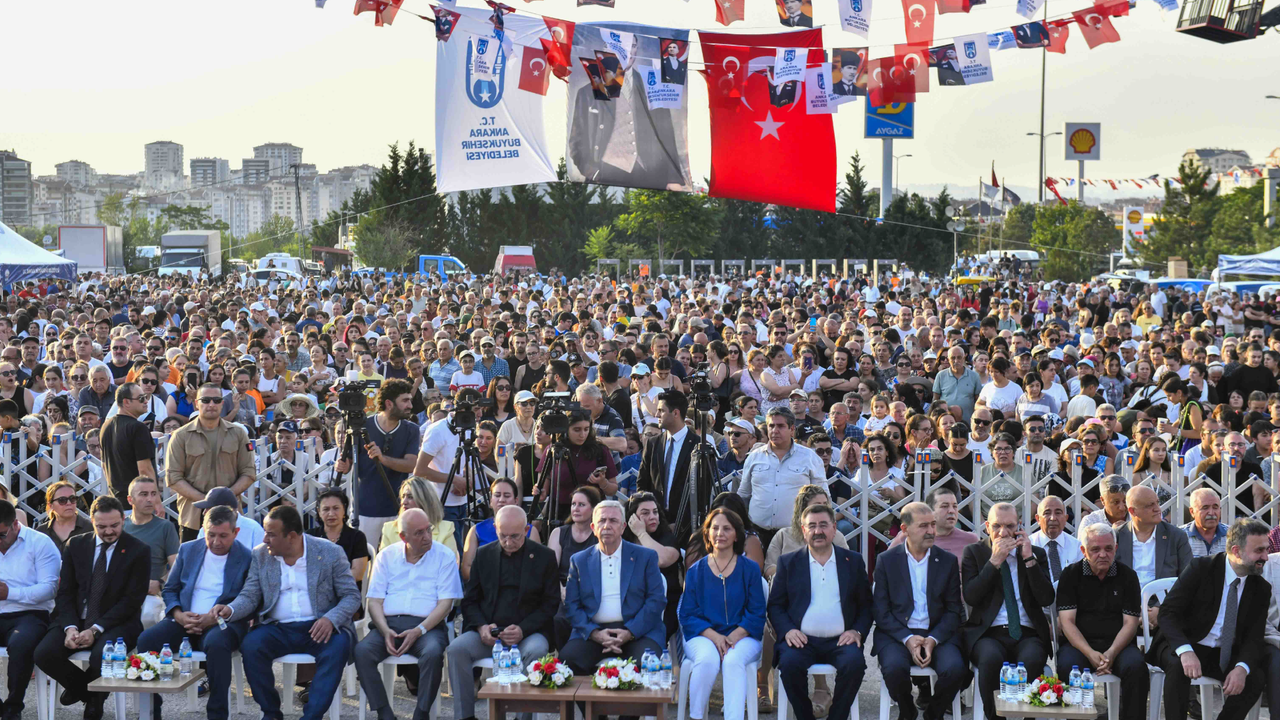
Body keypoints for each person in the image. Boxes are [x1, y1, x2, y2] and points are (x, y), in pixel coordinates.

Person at [213, 506, 361, 720]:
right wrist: (230, 609)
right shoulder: (260, 554)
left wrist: (331, 619)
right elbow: (250, 594)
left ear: (291, 536)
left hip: (320, 627)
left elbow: (351, 596)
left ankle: (311, 716)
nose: (265, 539)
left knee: (339, 646)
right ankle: (271, 713)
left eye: (271, 534)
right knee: (252, 645)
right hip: (278, 628)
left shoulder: (329, 552)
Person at [34, 496, 150, 720]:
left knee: (102, 657)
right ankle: (87, 691)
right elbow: (65, 592)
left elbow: (132, 601)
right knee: (44, 653)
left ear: (123, 520)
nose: (108, 531)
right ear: (92, 522)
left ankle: (94, 706)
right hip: (75, 619)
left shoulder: (138, 550)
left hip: (118, 621)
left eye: (114, 525)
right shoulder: (76, 544)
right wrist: (69, 627)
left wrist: (96, 628)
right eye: (101, 526)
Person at [136, 505, 252, 720]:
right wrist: (179, 614)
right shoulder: (189, 549)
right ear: (203, 529)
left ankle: (217, 715)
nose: (216, 542)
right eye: (211, 535)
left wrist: (214, 618)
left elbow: (248, 598)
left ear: (235, 533)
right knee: (146, 641)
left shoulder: (246, 557)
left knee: (217, 644)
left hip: (222, 623)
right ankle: (152, 712)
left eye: (223, 536)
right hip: (184, 620)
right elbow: (170, 589)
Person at [1149, 518, 1271, 720]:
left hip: (1222, 652)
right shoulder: (1201, 568)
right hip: (1183, 642)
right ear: (1237, 551)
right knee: (1179, 667)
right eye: (1259, 551)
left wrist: (1242, 667)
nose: (1266, 556)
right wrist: (1185, 651)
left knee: (1254, 677)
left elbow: (1255, 637)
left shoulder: (1261, 588)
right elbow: (1167, 613)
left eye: (1266, 549)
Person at [446, 504, 560, 720]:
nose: (508, 542)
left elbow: (550, 604)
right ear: (495, 528)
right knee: (456, 650)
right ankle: (465, 717)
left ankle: (521, 717)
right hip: (489, 632)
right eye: (503, 535)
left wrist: (523, 629)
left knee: (536, 651)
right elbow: (470, 600)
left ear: (526, 530)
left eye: (515, 536)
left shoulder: (544, 557)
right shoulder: (483, 554)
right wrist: (481, 627)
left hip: (528, 631)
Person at [354, 508, 462, 720]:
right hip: (389, 624)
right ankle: (385, 714)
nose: (427, 536)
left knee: (432, 653)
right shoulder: (387, 556)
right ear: (403, 537)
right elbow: (374, 601)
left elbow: (445, 604)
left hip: (427, 626)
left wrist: (419, 630)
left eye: (428, 530)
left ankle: (421, 714)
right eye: (419, 533)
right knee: (362, 652)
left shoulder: (444, 556)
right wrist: (385, 631)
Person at [767, 503, 871, 720]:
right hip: (801, 640)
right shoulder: (789, 563)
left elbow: (866, 606)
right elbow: (775, 605)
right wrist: (787, 631)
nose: (818, 531)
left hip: (841, 641)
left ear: (834, 528)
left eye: (823, 525)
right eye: (811, 526)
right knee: (789, 664)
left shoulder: (852, 562)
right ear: (803, 531)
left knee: (854, 665)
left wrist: (856, 632)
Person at [872, 502, 968, 720]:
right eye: (923, 526)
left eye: (933, 525)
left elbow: (954, 610)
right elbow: (881, 611)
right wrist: (907, 638)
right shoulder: (886, 561)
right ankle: (908, 711)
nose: (931, 531)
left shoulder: (947, 561)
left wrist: (933, 639)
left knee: (954, 669)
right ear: (904, 529)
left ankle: (933, 714)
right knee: (894, 670)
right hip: (898, 633)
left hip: (937, 631)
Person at [960, 502, 1055, 720]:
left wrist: (1029, 559)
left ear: (1019, 526)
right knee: (991, 660)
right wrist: (994, 561)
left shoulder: (1035, 553)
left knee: (1032, 660)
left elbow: (1046, 598)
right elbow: (971, 596)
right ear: (986, 527)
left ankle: (1028, 716)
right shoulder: (974, 553)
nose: (1003, 533)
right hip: (988, 633)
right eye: (996, 526)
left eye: (1010, 526)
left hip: (1027, 631)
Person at [678, 508, 766, 720]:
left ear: (737, 534)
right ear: (707, 533)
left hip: (743, 635)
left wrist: (734, 636)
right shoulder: (695, 571)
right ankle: (697, 716)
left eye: (727, 528)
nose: (720, 533)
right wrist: (716, 637)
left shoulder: (750, 570)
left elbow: (757, 612)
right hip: (703, 635)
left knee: (733, 660)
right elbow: (687, 614)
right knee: (707, 659)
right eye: (714, 528)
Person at [1055, 522, 1148, 720]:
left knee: (1137, 668)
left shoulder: (1128, 576)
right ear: (1083, 550)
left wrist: (1111, 652)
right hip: (1078, 645)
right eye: (1095, 549)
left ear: (1115, 549)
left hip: (1119, 645)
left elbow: (1130, 623)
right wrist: (1089, 653)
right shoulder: (1071, 575)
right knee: (1067, 667)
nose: (1103, 554)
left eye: (1108, 548)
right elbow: (1067, 622)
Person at [560, 501, 666, 674]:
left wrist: (629, 632)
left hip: (639, 631)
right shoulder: (579, 561)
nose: (607, 526)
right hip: (594, 632)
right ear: (593, 527)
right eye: (602, 521)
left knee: (647, 664)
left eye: (613, 521)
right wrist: (595, 634)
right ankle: (587, 703)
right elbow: (572, 606)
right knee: (567, 662)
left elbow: (656, 601)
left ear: (623, 527)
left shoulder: (645, 557)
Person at [165, 383, 256, 541]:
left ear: (222, 403)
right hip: (193, 517)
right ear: (196, 403)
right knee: (193, 563)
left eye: (216, 400)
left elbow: (248, 473)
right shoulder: (180, 436)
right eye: (206, 400)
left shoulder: (239, 434)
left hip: (231, 515)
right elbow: (173, 478)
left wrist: (223, 498)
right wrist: (206, 501)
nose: (211, 404)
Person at [333, 379, 421, 541]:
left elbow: (410, 465)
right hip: (365, 511)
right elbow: (348, 464)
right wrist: (343, 465)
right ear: (389, 403)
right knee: (366, 561)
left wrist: (382, 459)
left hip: (398, 509)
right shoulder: (361, 426)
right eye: (405, 400)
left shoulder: (412, 430)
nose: (410, 405)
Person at [0, 498, 61, 720]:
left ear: (15, 525)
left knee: (21, 644)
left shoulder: (40, 543)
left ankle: (13, 706)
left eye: (1, 535)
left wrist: (10, 593)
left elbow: (49, 589)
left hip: (30, 614)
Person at [737, 407, 828, 546]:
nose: (775, 430)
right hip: (757, 534)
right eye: (771, 426)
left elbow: (823, 497)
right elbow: (744, 495)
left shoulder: (810, 457)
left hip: (796, 535)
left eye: (780, 426)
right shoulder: (754, 457)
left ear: (792, 429)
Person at [1115, 485, 1193, 617]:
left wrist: (1160, 608)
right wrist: (1132, 610)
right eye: (1150, 505)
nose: (1158, 509)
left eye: (1157, 502)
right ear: (1132, 511)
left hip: (1167, 610)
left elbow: (1187, 578)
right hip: (1123, 611)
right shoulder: (1116, 537)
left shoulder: (1176, 536)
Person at [636, 389, 703, 539]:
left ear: (676, 413)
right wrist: (650, 516)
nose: (656, 415)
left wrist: (680, 522)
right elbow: (643, 483)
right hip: (654, 525)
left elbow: (702, 491)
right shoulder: (653, 443)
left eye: (661, 410)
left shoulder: (698, 445)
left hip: (688, 529)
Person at [123, 477, 181, 629]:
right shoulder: (121, 527)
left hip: (152, 593)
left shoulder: (165, 527)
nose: (150, 499)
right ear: (130, 500)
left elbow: (176, 565)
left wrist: (160, 583)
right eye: (143, 494)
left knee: (148, 616)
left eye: (154, 494)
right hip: (122, 591)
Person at [461, 478, 540, 582]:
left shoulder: (530, 531)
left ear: (516, 501)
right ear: (490, 501)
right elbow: (466, 569)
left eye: (507, 496)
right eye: (497, 495)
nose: (501, 499)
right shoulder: (476, 530)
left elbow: (538, 568)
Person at [97, 382, 156, 503]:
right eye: (141, 398)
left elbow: (104, 466)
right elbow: (145, 470)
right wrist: (155, 500)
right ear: (126, 402)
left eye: (145, 397)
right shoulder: (138, 428)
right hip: (138, 503)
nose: (146, 401)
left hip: (116, 502)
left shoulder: (105, 426)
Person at [307, 489, 370, 584]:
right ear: (319, 512)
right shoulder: (310, 536)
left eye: (336, 508)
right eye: (326, 509)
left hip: (347, 591)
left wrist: (325, 580)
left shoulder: (357, 537)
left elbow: (357, 574)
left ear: (344, 510)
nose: (331, 514)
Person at [1029, 495, 1083, 587]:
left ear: (1066, 518)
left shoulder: (1077, 547)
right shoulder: (1029, 546)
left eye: (1058, 513)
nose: (1053, 518)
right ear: (1038, 519)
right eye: (1047, 513)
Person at [194, 487, 267, 552]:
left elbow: (261, 562)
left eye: (208, 509)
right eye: (212, 535)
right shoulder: (205, 530)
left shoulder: (254, 530)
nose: (204, 513)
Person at [34, 480, 92, 555]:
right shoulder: (41, 532)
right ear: (51, 505)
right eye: (62, 500)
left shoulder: (89, 528)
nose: (68, 503)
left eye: (72, 499)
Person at [1183, 488, 1228, 558]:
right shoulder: (1180, 536)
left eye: (1215, 507)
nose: (1211, 513)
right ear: (1192, 512)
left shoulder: (1233, 535)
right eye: (1205, 508)